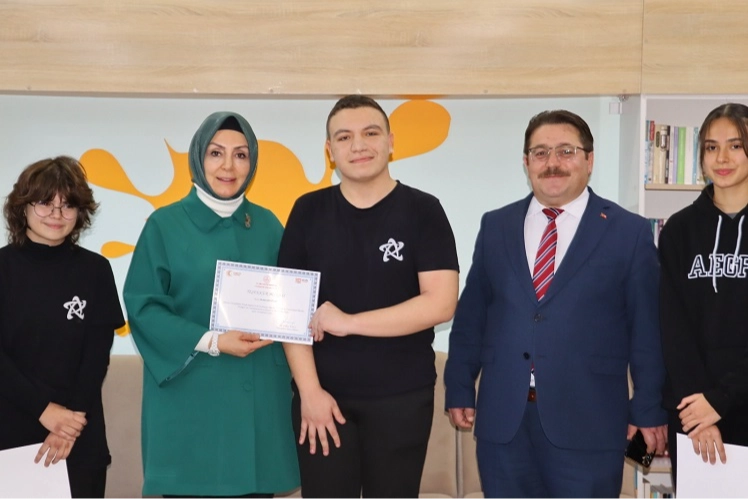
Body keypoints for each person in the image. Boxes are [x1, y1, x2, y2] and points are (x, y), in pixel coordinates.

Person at [444, 110, 668, 499]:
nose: (552, 163)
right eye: (540, 152)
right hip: (505, 422)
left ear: (589, 160)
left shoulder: (628, 232)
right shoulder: (496, 226)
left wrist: (647, 409)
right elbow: (471, 317)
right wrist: (460, 386)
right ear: (526, 162)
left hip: (590, 421)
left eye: (566, 151)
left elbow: (647, 331)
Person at [277, 95, 459, 498]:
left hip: (403, 397)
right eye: (344, 137)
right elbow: (288, 313)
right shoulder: (307, 211)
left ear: (390, 142)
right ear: (330, 151)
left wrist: (349, 322)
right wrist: (309, 392)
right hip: (323, 400)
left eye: (370, 133)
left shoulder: (424, 210)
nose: (358, 145)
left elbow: (441, 303)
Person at [123, 111, 299, 498]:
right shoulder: (165, 224)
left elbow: (288, 304)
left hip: (259, 406)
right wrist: (213, 340)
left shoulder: (269, 225)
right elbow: (143, 306)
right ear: (198, 157)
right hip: (191, 405)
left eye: (241, 155)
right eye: (216, 153)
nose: (228, 166)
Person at [0, 156, 125, 499]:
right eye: (45, 203)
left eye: (68, 205)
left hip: (78, 435)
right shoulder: (3, 268)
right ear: (22, 207)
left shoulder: (96, 270)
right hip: (10, 432)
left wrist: (69, 424)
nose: (56, 214)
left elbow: (96, 358)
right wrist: (44, 411)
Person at [659, 103, 748, 485]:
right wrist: (700, 411)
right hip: (693, 412)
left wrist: (722, 400)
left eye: (736, 145)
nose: (722, 158)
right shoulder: (678, 230)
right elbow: (672, 328)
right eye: (712, 147)